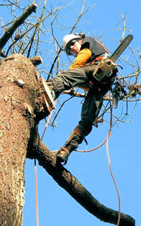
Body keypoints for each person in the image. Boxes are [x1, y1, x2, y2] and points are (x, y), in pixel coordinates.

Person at [49, 33, 117, 164]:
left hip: (97, 68)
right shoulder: (85, 52)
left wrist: (71, 72)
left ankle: (47, 93)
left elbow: (82, 58)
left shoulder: (87, 43)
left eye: (72, 45)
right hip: (100, 86)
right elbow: (83, 82)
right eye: (69, 49)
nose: (72, 49)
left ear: (79, 40)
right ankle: (67, 150)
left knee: (64, 77)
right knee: (87, 121)